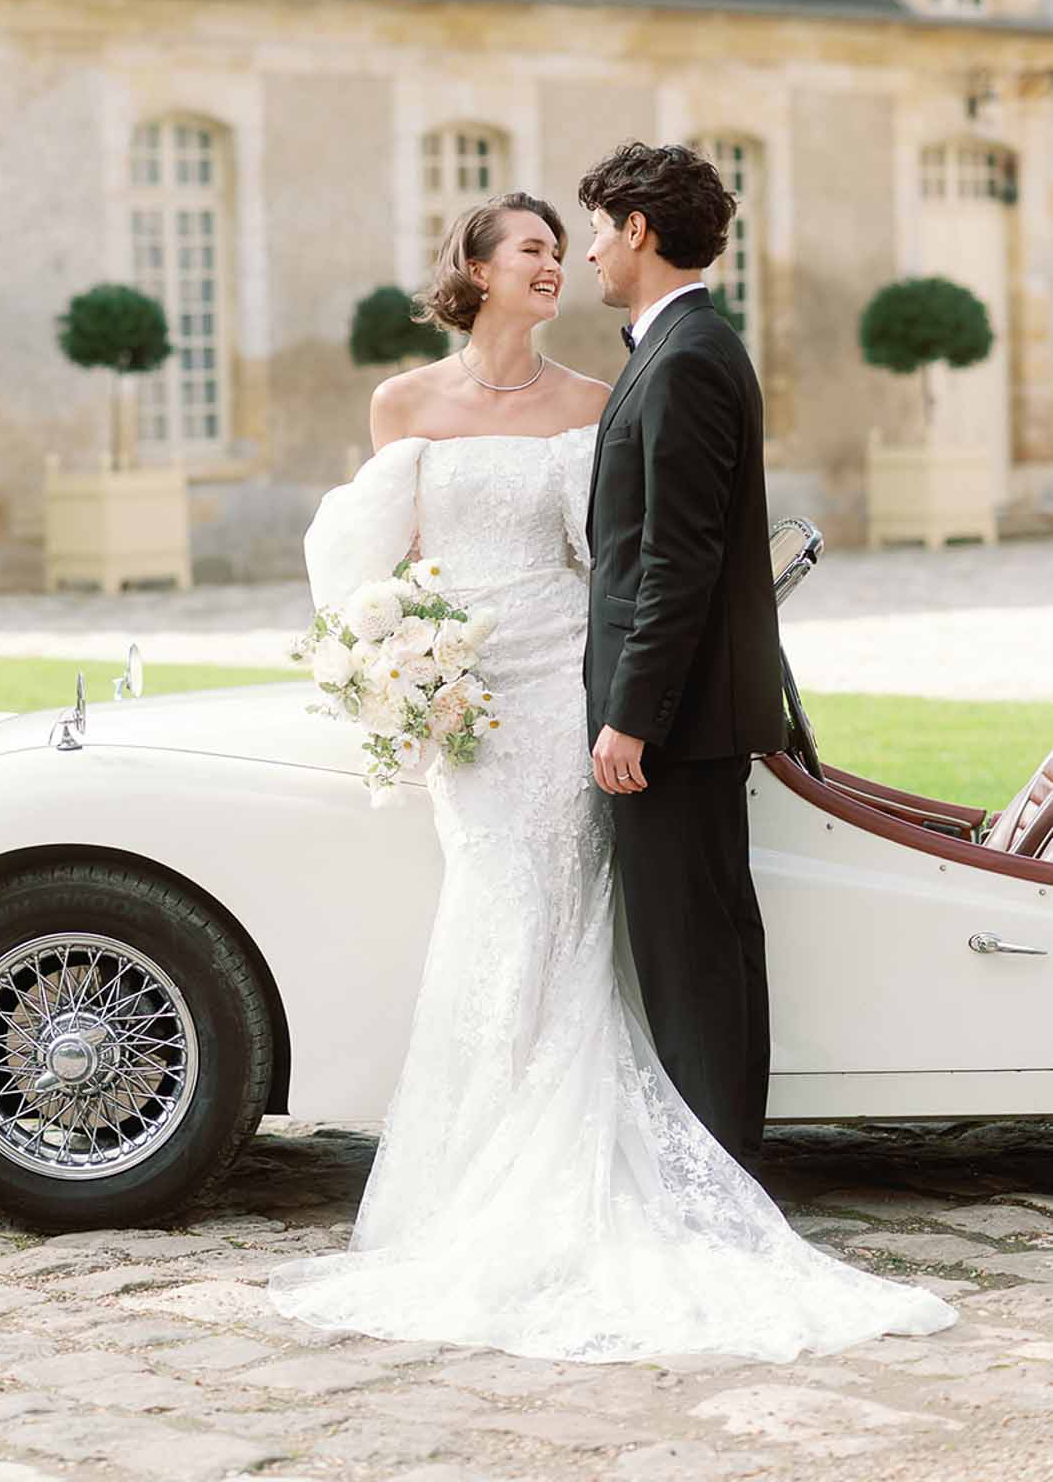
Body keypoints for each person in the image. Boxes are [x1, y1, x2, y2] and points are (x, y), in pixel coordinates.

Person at [267, 181, 953, 1363]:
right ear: (475, 268)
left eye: (565, 242)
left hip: (563, 692)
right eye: (531, 247)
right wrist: (395, 662)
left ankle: (581, 1156)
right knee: (492, 906)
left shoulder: (601, 393)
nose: (558, 260)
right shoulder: (403, 402)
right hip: (468, 698)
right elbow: (377, 561)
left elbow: (628, 558)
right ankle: (472, 1162)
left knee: (573, 919)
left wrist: (627, 705)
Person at [581, 140, 781, 1173]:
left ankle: (719, 1179)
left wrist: (632, 714)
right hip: (688, 710)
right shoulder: (675, 344)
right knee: (699, 943)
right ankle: (722, 1164)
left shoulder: (688, 356)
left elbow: (678, 559)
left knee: (691, 953)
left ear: (638, 229)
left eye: (596, 231)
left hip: (678, 720)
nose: (587, 254)